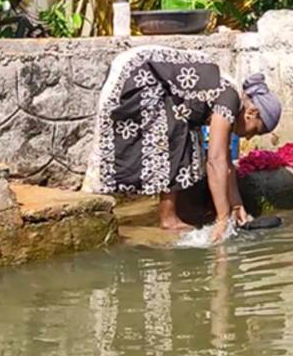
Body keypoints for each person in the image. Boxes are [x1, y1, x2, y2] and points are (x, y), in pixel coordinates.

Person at [85, 46, 282, 237]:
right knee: (176, 134)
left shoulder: (230, 98)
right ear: (251, 113)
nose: (248, 137)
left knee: (187, 137)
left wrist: (236, 205)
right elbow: (215, 161)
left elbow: (226, 164)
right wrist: (222, 219)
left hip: (139, 72)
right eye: (255, 131)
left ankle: (172, 214)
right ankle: (168, 218)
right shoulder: (230, 100)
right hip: (138, 76)